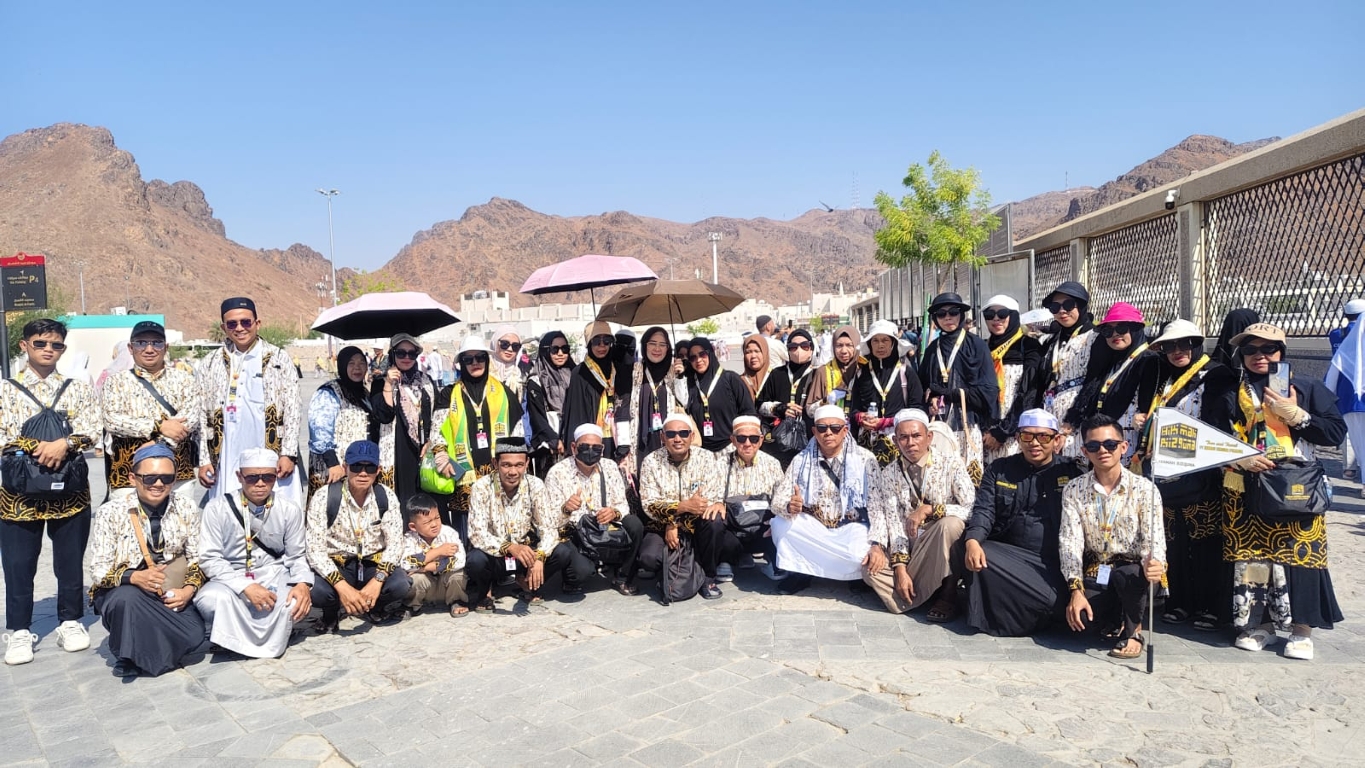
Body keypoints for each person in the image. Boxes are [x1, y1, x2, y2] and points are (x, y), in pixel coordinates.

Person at [1220, 322, 1346, 660]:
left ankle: (1301, 629)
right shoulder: (1229, 392)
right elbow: (1213, 436)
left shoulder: (1306, 387)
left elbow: (1334, 433)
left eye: (1269, 349)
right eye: (1250, 350)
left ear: (1282, 352)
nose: (1260, 356)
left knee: (1300, 555)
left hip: (1296, 483)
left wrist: (1299, 417)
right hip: (1245, 484)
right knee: (1253, 557)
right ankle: (1260, 624)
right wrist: (1239, 457)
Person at [1, 318, 101, 666]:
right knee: (18, 564)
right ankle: (18, 630)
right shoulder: (6, 390)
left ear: (63, 349)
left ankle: (70, 621)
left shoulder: (78, 389)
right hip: (19, 494)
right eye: (40, 343)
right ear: (24, 345)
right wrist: (39, 447)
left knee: (70, 560)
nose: (48, 349)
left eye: (56, 344)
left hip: (69, 490)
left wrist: (65, 444)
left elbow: (93, 428)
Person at [1130, 319, 1236, 630]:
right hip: (1166, 471)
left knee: (1205, 541)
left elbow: (1221, 422)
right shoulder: (1165, 378)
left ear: (1197, 344)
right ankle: (1180, 601)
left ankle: (1209, 606)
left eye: (1184, 344)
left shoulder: (1216, 375)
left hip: (1201, 471)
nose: (1177, 351)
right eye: (1169, 346)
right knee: (1174, 539)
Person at [957, 409, 1082, 636]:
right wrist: (973, 541)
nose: (1035, 443)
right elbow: (984, 510)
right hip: (1008, 559)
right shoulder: (999, 470)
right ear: (1017, 438)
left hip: (1053, 562)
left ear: (1056, 440)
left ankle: (1041, 607)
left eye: (1043, 437)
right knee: (970, 545)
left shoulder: (1072, 472)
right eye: (1027, 436)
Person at [86, 443, 206, 676]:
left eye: (166, 478)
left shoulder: (186, 507)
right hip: (125, 588)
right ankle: (128, 656)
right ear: (133, 478)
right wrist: (135, 577)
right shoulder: (110, 512)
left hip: (169, 587)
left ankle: (148, 650)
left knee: (195, 634)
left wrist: (188, 590)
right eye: (150, 478)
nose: (158, 484)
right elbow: (98, 570)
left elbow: (197, 558)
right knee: (127, 600)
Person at [1060, 414, 1167, 659]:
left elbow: (1154, 539)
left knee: (1128, 576)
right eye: (1094, 446)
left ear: (1124, 447)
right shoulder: (1073, 489)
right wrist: (1075, 590)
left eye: (1110, 444)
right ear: (1084, 451)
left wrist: (1154, 563)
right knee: (1081, 622)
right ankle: (1113, 617)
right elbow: (1070, 542)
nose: (1103, 451)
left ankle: (1134, 631)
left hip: (1134, 569)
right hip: (1097, 568)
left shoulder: (1145, 488)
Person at [195, 447, 313, 658]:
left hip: (273, 574)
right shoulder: (217, 508)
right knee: (209, 599)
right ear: (239, 477)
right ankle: (237, 639)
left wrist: (302, 584)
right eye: (252, 478)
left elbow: (296, 555)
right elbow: (210, 558)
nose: (260, 483)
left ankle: (243, 638)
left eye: (267, 477)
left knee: (296, 602)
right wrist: (245, 586)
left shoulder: (289, 508)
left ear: (275, 476)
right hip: (231, 577)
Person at [864, 409, 975, 618]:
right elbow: (894, 523)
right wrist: (899, 568)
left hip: (940, 538)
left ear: (929, 437)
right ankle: (917, 588)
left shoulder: (951, 464)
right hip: (912, 544)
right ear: (895, 441)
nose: (910, 443)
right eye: (903, 437)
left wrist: (932, 510)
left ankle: (947, 594)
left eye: (916, 436)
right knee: (869, 570)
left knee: (950, 525)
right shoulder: (889, 473)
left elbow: (972, 508)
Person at [196, 297, 302, 508]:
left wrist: (288, 453)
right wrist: (204, 460)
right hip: (227, 450)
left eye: (245, 322)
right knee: (228, 510)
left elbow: (293, 408)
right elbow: (201, 414)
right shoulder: (210, 363)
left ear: (257, 323)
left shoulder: (278, 358)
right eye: (232, 324)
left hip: (271, 449)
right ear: (223, 328)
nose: (239, 328)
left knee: (278, 511)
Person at [464, 438, 590, 611]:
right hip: (495, 555)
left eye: (519, 465)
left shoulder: (535, 485)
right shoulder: (481, 487)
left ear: (527, 463)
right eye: (506, 465)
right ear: (495, 463)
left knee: (561, 552)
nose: (513, 472)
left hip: (525, 554)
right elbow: (477, 533)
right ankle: (485, 590)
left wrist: (539, 556)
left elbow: (548, 527)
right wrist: (510, 547)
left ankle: (526, 582)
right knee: (475, 560)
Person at [770, 405, 877, 595]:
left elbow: (877, 504)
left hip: (850, 526)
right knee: (780, 524)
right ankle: (800, 573)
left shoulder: (865, 459)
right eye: (822, 428)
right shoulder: (800, 460)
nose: (828, 433)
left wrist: (878, 543)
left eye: (835, 428)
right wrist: (789, 506)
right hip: (814, 527)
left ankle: (854, 577)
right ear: (814, 431)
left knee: (859, 552)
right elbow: (777, 501)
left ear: (845, 430)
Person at [305, 441, 409, 633]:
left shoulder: (385, 496)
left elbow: (395, 544)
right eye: (356, 466)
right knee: (316, 590)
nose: (363, 473)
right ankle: (331, 612)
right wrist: (343, 588)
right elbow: (314, 550)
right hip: (338, 564)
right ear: (345, 467)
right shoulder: (324, 497)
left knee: (400, 585)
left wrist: (377, 581)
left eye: (369, 467)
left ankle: (373, 606)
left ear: (378, 470)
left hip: (371, 563)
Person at [431, 336, 524, 534]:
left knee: (500, 527)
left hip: (498, 472)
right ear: (462, 363)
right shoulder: (449, 393)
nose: (475, 363)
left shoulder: (504, 392)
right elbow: (437, 431)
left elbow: (517, 430)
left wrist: (515, 463)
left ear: (487, 360)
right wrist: (442, 458)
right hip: (464, 475)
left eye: (480, 357)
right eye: (468, 359)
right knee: (467, 531)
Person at [100, 320, 200, 501]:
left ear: (166, 347)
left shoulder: (185, 379)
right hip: (129, 476)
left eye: (156, 343)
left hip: (177, 477)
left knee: (179, 519)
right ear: (130, 348)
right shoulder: (115, 382)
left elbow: (190, 418)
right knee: (128, 519)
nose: (149, 349)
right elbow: (112, 421)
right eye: (141, 343)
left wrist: (159, 442)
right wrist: (158, 426)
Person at [637, 413, 727, 600]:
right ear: (662, 437)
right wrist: (675, 516)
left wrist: (676, 522)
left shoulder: (707, 458)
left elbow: (708, 501)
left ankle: (708, 577)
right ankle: (672, 570)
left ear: (692, 436)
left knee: (715, 521)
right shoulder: (651, 462)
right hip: (661, 526)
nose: (677, 439)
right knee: (649, 558)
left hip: (697, 525)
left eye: (683, 433)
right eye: (671, 434)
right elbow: (649, 504)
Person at [544, 425, 641, 595]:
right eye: (585, 447)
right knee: (581, 572)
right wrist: (566, 509)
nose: (590, 451)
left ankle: (622, 577)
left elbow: (623, 505)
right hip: (575, 533)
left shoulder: (610, 467)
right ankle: (571, 578)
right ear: (573, 447)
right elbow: (548, 520)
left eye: (596, 448)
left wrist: (614, 512)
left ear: (602, 449)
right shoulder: (557, 473)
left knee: (634, 524)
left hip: (604, 529)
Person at [917, 294, 996, 480]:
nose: (948, 318)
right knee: (938, 480)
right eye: (941, 314)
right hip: (938, 426)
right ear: (935, 318)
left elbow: (988, 391)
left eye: (953, 312)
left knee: (967, 481)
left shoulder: (977, 345)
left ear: (961, 315)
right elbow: (922, 386)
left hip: (968, 425)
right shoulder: (932, 349)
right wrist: (931, 398)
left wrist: (949, 394)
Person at [1067, 302, 1153, 465]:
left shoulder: (1149, 359)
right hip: (1105, 442)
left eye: (1121, 329)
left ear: (1134, 329)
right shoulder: (1113, 361)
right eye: (1108, 331)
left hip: (1129, 442)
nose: (1115, 334)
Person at [369, 334, 437, 504]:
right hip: (397, 451)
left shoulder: (426, 381)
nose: (406, 358)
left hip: (424, 450)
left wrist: (432, 441)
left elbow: (437, 415)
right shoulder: (380, 383)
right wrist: (388, 384)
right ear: (392, 354)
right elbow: (383, 416)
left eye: (411, 354)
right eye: (401, 353)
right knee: (401, 502)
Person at [716, 415, 786, 576]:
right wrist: (718, 503)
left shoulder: (772, 463)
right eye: (741, 438)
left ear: (761, 440)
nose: (747, 443)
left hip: (762, 527)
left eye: (753, 438)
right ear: (733, 440)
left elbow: (781, 498)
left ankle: (774, 561)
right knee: (713, 520)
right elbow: (713, 496)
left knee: (785, 518)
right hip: (733, 529)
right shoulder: (720, 464)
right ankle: (725, 559)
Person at [856, 320, 928, 467]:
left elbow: (917, 409)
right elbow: (854, 407)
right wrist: (860, 418)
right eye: (875, 341)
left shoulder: (906, 372)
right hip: (867, 442)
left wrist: (887, 422)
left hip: (899, 441)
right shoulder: (862, 372)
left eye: (885, 340)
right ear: (870, 344)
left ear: (893, 343)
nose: (880, 345)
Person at [980, 296, 1043, 465]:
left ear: (1014, 316)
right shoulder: (982, 348)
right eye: (989, 315)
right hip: (985, 435)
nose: (996, 319)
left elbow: (1030, 392)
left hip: (1015, 431)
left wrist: (1003, 431)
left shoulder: (1029, 346)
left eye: (1002, 314)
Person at [1035, 282, 1095, 458]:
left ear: (1081, 306)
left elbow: (1094, 382)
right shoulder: (1051, 341)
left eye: (1068, 305)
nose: (1062, 311)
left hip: (1078, 420)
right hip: (1051, 415)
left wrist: (1071, 421)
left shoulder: (1095, 338)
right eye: (1055, 307)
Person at [307, 346, 376, 501]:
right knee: (330, 506)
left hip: (357, 468)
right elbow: (319, 429)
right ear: (342, 365)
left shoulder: (364, 393)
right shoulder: (329, 392)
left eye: (361, 363)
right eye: (351, 363)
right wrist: (332, 463)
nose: (357, 368)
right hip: (333, 468)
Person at [560, 322, 633, 462]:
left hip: (616, 437)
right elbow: (576, 414)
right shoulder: (580, 373)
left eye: (607, 341)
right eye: (596, 341)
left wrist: (624, 441)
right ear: (588, 343)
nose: (602, 346)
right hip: (592, 440)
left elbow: (625, 403)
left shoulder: (617, 368)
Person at [623, 327, 689, 475]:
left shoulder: (674, 371)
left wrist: (680, 377)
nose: (657, 349)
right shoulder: (635, 370)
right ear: (644, 345)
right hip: (640, 439)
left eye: (662, 344)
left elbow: (684, 401)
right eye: (652, 343)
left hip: (669, 438)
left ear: (668, 348)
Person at [755, 329, 819, 468]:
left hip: (810, 440)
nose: (799, 350)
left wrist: (808, 410)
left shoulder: (818, 374)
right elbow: (759, 405)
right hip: (780, 443)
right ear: (788, 350)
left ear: (811, 349)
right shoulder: (777, 374)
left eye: (804, 346)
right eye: (793, 347)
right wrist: (778, 409)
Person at [398, 494, 467, 617]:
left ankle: (456, 601)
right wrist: (438, 551)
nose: (434, 524)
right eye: (427, 522)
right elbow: (405, 563)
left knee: (457, 574)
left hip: (446, 586)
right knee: (416, 579)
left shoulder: (448, 533)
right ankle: (412, 605)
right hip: (427, 588)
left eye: (437, 518)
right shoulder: (409, 539)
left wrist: (425, 567)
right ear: (413, 527)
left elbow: (460, 560)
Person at [684, 336, 757, 452]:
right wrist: (679, 377)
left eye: (702, 354)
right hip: (702, 450)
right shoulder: (691, 384)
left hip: (731, 447)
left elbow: (748, 412)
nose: (698, 360)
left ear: (710, 353)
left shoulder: (731, 379)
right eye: (693, 357)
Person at [525, 331, 575, 478]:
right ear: (545, 351)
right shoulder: (536, 380)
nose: (560, 353)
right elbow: (537, 415)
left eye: (564, 349)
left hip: (572, 441)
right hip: (548, 445)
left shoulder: (575, 374)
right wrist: (553, 439)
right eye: (555, 349)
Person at [1328, 299, 1364, 484]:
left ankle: (1350, 469)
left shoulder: (1337, 335)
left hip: (1346, 392)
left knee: (1353, 435)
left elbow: (1333, 372)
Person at [806, 325, 863, 422]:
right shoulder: (823, 371)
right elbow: (810, 411)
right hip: (832, 427)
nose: (844, 351)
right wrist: (826, 400)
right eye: (839, 346)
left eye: (849, 345)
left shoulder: (864, 369)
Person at [489, 325, 529, 397]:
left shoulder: (521, 374)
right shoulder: (483, 370)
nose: (510, 349)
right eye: (505, 344)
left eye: (515, 346)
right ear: (495, 343)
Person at [740, 335, 770, 403]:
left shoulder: (775, 378)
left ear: (765, 352)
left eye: (757, 351)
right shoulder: (739, 382)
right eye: (748, 352)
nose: (753, 356)